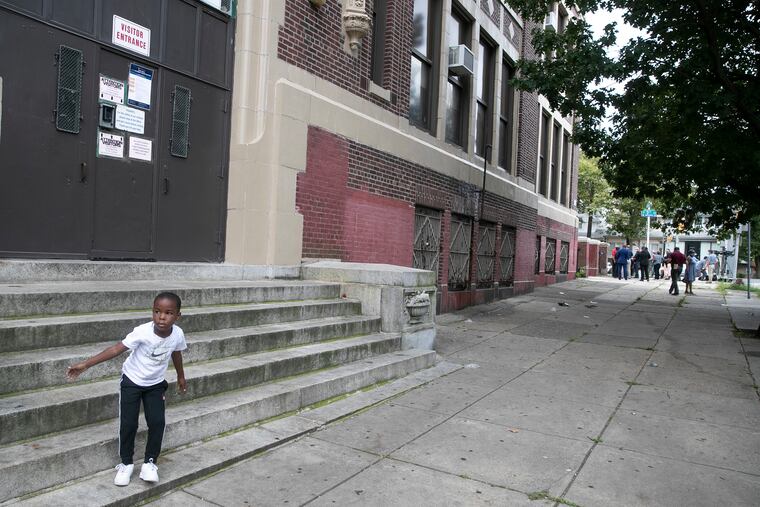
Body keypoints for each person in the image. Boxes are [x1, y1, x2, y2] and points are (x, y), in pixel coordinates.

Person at [66, 292, 188, 487]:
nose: (161, 317)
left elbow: (176, 353)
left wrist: (181, 376)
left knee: (157, 422)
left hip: (155, 384)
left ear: (177, 316)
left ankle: (150, 463)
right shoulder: (142, 332)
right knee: (129, 424)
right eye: (157, 311)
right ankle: (126, 464)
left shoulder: (178, 334)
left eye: (168, 313)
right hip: (132, 381)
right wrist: (86, 364)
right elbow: (116, 349)